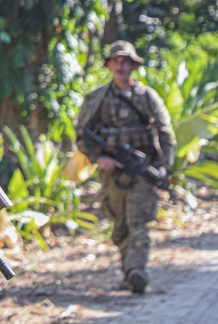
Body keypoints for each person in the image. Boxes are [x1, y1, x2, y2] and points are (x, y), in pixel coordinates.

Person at [75, 40, 176, 295]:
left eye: (126, 61)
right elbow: (82, 135)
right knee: (120, 224)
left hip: (143, 169)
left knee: (138, 221)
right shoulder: (97, 98)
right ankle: (128, 272)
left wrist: (164, 166)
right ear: (109, 64)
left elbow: (165, 132)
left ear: (133, 65)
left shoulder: (147, 97)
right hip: (113, 173)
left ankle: (137, 270)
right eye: (116, 61)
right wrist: (100, 158)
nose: (121, 66)